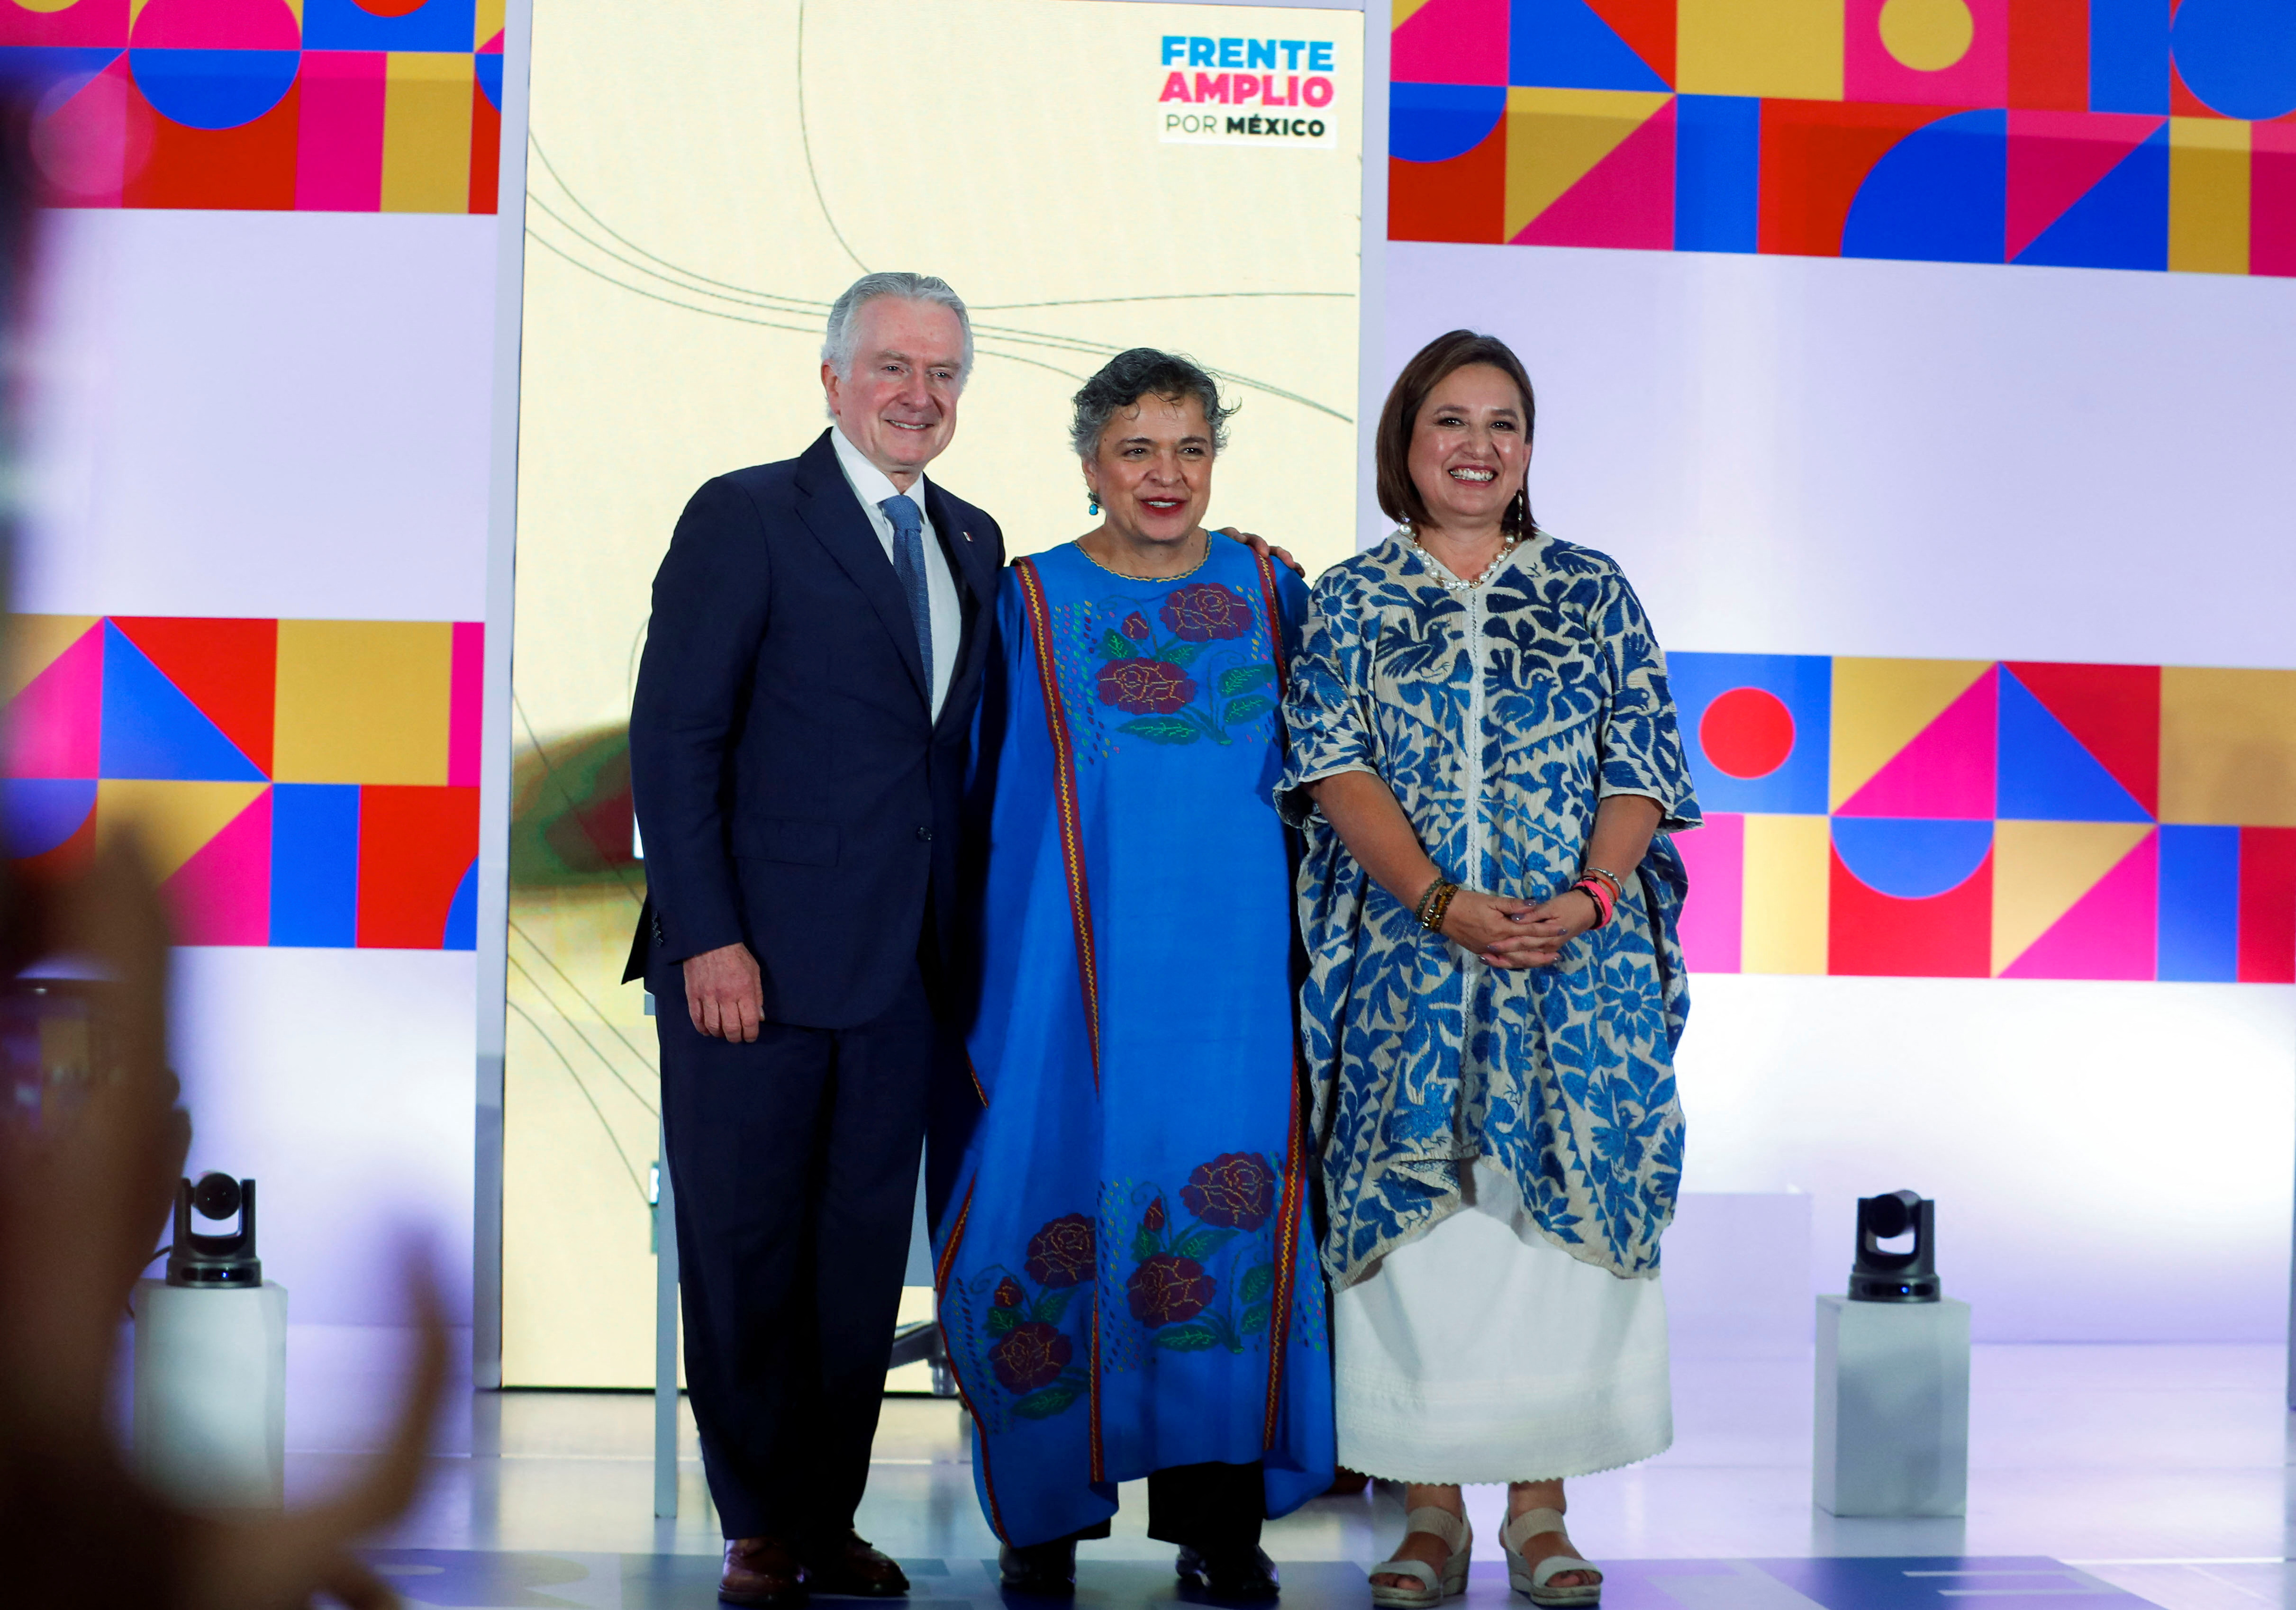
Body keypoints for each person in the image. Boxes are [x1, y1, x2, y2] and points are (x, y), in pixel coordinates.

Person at [1277, 331, 1697, 1607]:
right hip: (1407, 965)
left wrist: (1589, 896)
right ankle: (1427, 1515)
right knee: (1430, 1235)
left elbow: (1644, 759)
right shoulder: (1350, 597)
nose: (1476, 444)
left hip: (1579, 974)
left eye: (1502, 423)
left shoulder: (1593, 587)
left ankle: (1542, 1513)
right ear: (1406, 442)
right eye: (1449, 420)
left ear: (1528, 449)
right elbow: (1334, 765)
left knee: (1544, 1224)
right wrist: (1442, 903)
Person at [625, 272, 1005, 1608]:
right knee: (747, 1251)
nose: (921, 395)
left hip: (901, 970)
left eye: (945, 373)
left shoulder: (970, 537)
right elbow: (675, 746)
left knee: (853, 1261)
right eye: (894, 368)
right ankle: (757, 1523)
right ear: (833, 379)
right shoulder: (746, 517)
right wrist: (706, 938)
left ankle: (826, 1514)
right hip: (752, 970)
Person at [934, 350, 1334, 1600]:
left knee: (1227, 1217)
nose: (1166, 476)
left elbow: (1330, 788)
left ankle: (1220, 1529)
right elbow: (977, 794)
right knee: (1051, 1197)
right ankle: (1041, 1525)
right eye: (1136, 450)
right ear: (1089, 461)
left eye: (1190, 448)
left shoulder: (1274, 587)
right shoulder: (1030, 599)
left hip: (1233, 994)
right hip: (1067, 982)